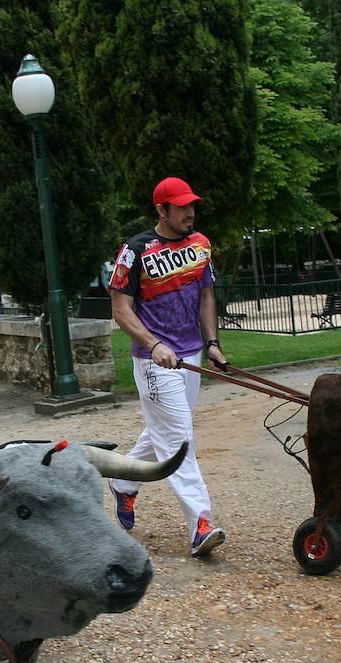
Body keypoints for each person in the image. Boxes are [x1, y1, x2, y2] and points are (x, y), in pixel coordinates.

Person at [108, 176, 227, 558]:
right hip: (154, 359)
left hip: (190, 354)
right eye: (181, 206)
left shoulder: (201, 244)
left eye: (192, 205)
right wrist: (153, 344)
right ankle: (201, 523)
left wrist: (212, 344)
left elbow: (206, 294)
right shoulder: (135, 250)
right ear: (161, 210)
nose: (190, 212)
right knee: (178, 438)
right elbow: (120, 309)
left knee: (165, 430)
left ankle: (122, 481)